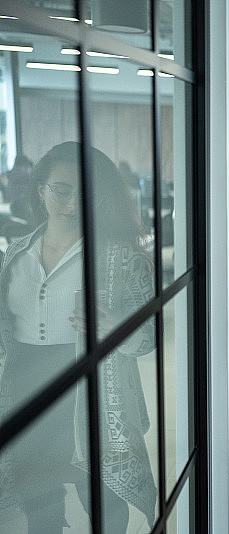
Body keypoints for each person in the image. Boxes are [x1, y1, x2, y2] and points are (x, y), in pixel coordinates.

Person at [0, 142, 157, 532]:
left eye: (86, 192)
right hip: (26, 389)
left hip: (93, 390)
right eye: (62, 189)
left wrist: (115, 327)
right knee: (39, 503)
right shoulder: (15, 256)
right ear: (41, 190)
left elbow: (149, 338)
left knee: (104, 502)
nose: (73, 202)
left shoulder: (122, 258)